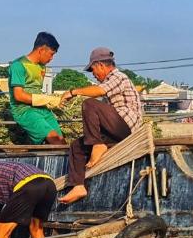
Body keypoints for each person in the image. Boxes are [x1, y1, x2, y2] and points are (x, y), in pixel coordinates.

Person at [57, 47, 144, 204]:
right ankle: (78, 186)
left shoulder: (119, 77)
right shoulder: (112, 82)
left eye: (93, 70)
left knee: (89, 104)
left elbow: (99, 91)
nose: (94, 75)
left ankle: (97, 144)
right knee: (77, 146)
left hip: (126, 128)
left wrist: (72, 92)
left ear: (100, 65)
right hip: (115, 131)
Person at [8, 32, 65, 145]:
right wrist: (47, 99)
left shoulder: (41, 67)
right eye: (51, 54)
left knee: (62, 142)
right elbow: (18, 95)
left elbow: (37, 90)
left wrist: (51, 101)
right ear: (41, 50)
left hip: (42, 109)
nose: (51, 58)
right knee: (55, 140)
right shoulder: (18, 66)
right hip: (24, 111)